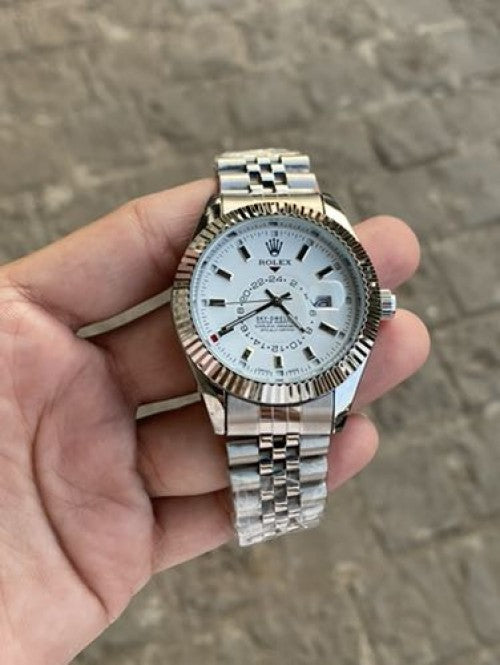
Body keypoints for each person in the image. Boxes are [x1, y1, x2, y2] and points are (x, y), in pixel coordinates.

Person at [0, 179, 429, 664]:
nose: (275, 301)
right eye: (269, 299)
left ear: (373, 304)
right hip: (247, 377)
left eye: (281, 298)